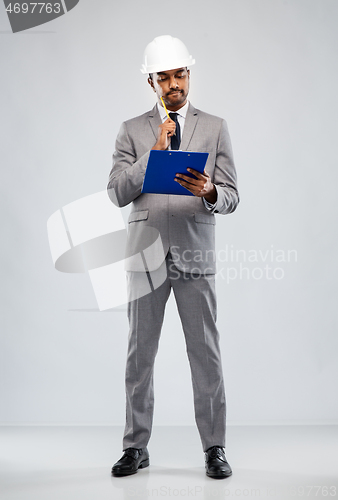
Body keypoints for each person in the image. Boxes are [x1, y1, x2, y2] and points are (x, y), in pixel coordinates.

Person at [107, 35, 239, 479]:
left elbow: (232, 195)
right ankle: (135, 446)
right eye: (163, 76)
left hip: (195, 253)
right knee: (139, 356)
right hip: (145, 258)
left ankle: (215, 447)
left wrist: (211, 192)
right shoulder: (131, 130)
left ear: (189, 75)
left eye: (179, 74)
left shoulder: (215, 126)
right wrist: (153, 154)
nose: (173, 83)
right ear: (151, 82)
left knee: (206, 354)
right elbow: (117, 192)